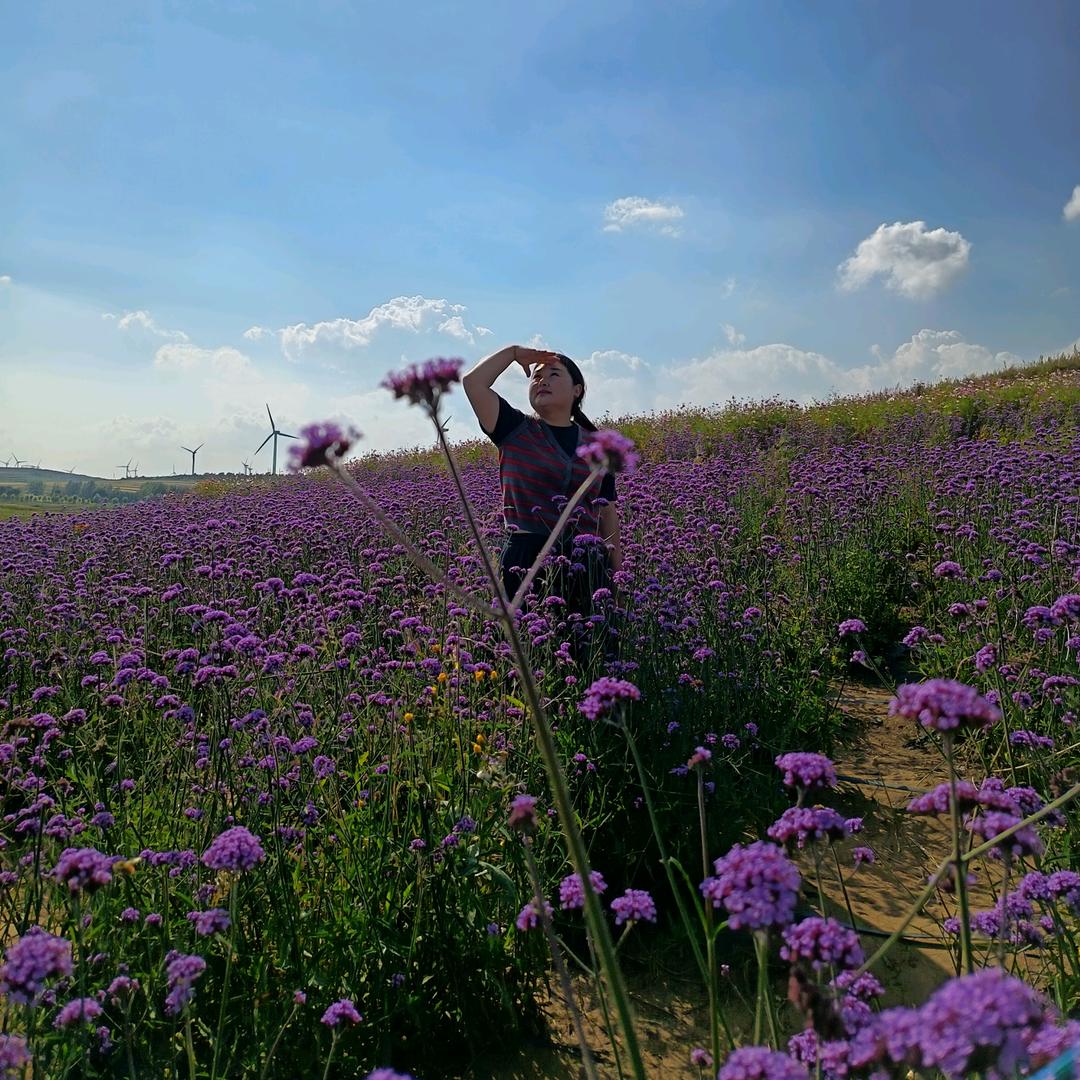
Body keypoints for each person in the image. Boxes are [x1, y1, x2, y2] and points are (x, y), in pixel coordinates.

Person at [461, 345, 623, 659]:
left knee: (591, 657)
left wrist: (617, 577)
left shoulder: (598, 445)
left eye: (553, 374)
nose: (541, 380)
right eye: (536, 376)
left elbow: (607, 514)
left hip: (587, 563)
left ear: (577, 390)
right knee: (527, 658)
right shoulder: (513, 429)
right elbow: (474, 383)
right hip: (526, 557)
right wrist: (513, 354)